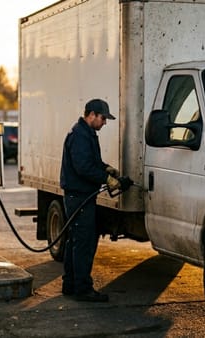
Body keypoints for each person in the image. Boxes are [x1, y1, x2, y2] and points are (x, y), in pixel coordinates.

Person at [59, 98, 132, 302]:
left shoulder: (85, 133)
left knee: (75, 241)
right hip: (79, 197)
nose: (104, 122)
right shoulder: (81, 135)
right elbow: (83, 167)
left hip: (77, 196)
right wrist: (107, 179)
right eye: (102, 118)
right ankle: (82, 289)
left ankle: (70, 284)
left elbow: (91, 162)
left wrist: (106, 168)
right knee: (84, 243)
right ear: (91, 115)